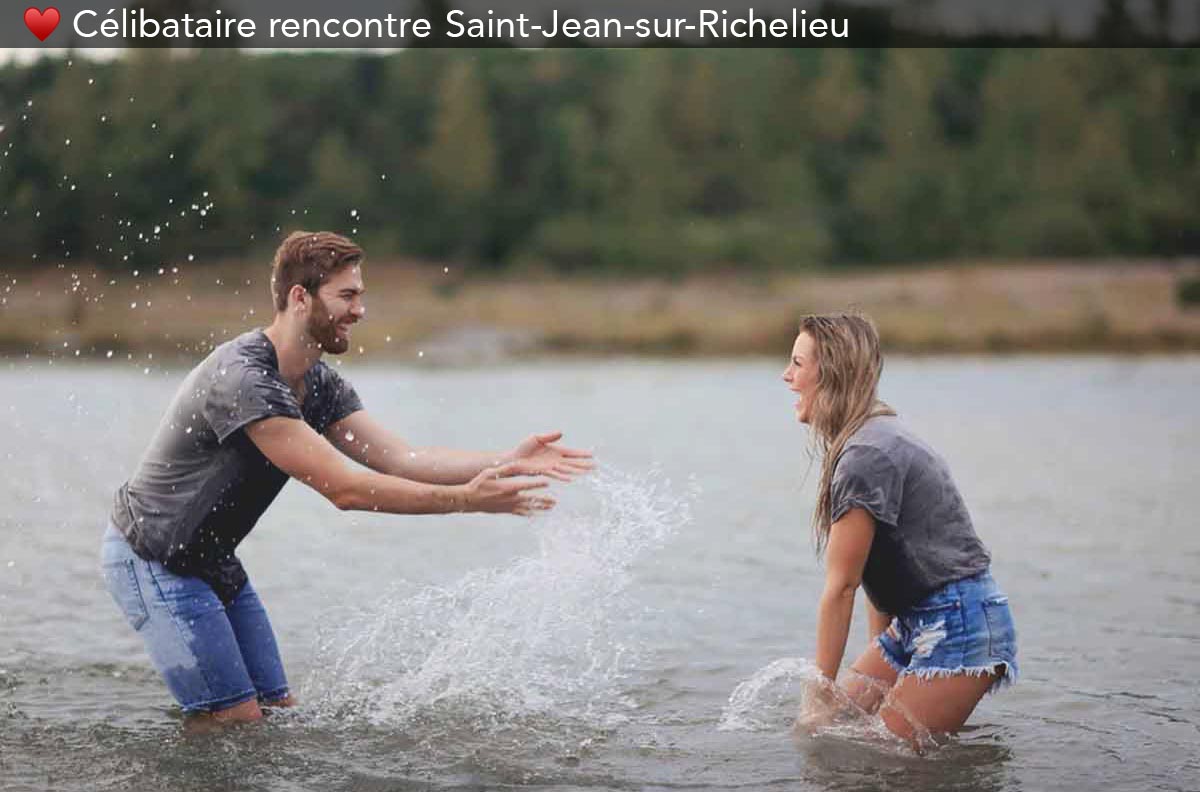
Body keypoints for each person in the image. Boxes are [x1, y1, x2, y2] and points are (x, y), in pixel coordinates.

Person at [100, 231, 593, 730]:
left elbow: (401, 458)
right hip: (154, 557)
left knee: (275, 716)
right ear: (299, 298)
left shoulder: (317, 382)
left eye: (361, 296)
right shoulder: (245, 379)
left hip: (211, 560)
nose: (360, 310)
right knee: (234, 720)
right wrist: (468, 499)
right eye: (347, 296)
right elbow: (346, 489)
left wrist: (505, 461)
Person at [782, 313, 1017, 750]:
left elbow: (842, 586)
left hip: (959, 623)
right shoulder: (865, 440)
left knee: (876, 757)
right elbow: (877, 573)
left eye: (797, 363)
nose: (787, 376)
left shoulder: (865, 455)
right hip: (916, 622)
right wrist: (883, 670)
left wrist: (818, 694)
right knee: (831, 737)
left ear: (830, 374)